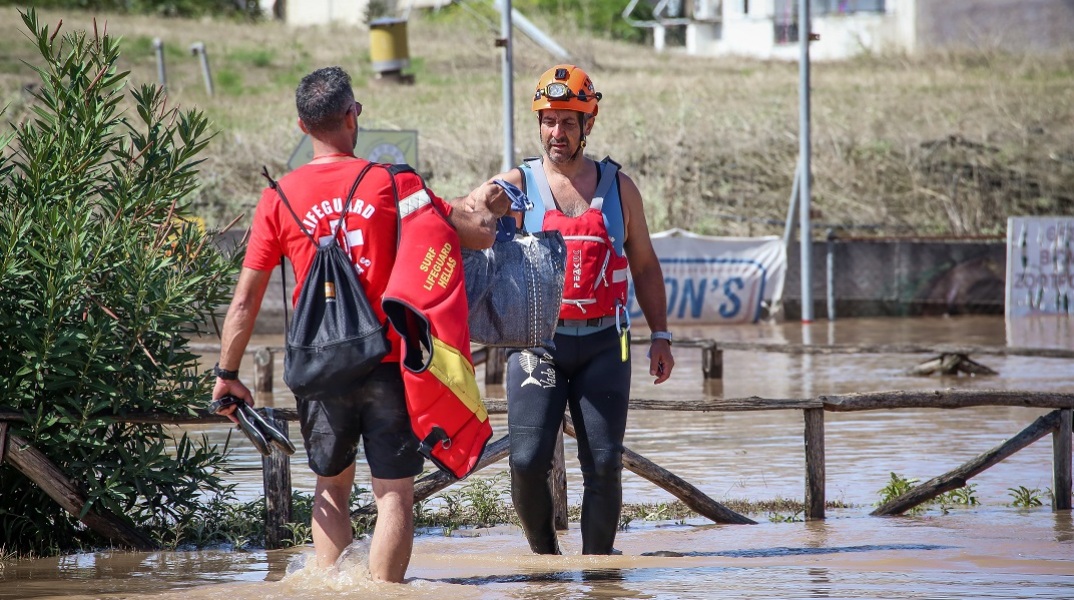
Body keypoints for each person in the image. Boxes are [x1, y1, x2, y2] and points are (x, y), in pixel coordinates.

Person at [211, 66, 509, 582]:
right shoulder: (393, 183)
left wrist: (227, 372)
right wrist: (488, 206)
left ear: (303, 128)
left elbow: (244, 301)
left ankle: (330, 591)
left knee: (330, 489)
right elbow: (474, 235)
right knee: (394, 493)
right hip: (387, 364)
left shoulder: (277, 197)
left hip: (319, 366)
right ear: (353, 116)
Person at [488, 64, 675, 555]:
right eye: (548, 120)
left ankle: (598, 575)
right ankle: (545, 562)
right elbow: (470, 225)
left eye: (568, 121)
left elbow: (646, 266)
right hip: (537, 345)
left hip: (604, 344)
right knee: (527, 460)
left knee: (605, 463)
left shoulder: (620, 188)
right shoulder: (517, 184)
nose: (557, 132)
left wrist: (661, 335)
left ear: (588, 124)